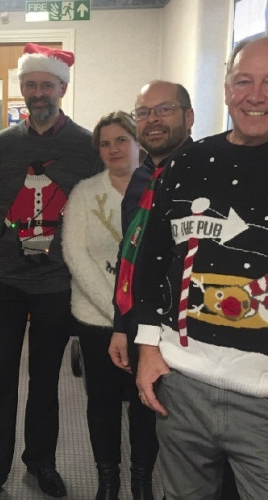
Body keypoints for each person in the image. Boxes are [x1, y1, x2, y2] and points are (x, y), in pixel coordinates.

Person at [0, 43, 101, 500]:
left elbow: (95, 209)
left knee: (46, 378)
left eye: (47, 84)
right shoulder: (2, 145)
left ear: (62, 87)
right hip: (4, 281)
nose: (38, 92)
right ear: (22, 89)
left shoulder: (86, 146)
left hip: (57, 285)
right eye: (30, 85)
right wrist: (5, 248)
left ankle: (41, 461)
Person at [135, 36, 268, 499]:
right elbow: (152, 261)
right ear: (228, 89)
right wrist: (148, 347)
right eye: (244, 81)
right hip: (182, 381)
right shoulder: (188, 161)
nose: (256, 95)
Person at [108, 80, 194, 499]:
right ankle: (141, 485)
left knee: (186, 429)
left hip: (188, 326)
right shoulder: (141, 178)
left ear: (188, 117)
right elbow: (132, 259)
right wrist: (122, 324)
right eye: (143, 112)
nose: (153, 120)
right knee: (143, 410)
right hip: (142, 320)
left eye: (165, 110)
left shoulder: (202, 169)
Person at [62, 111, 142, 500]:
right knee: (104, 403)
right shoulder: (84, 192)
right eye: (106, 143)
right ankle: (107, 479)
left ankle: (142, 479)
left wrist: (134, 319)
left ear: (138, 142)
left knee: (147, 404)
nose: (113, 149)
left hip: (147, 324)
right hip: (97, 319)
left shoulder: (158, 189)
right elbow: (75, 255)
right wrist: (119, 317)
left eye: (121, 140)